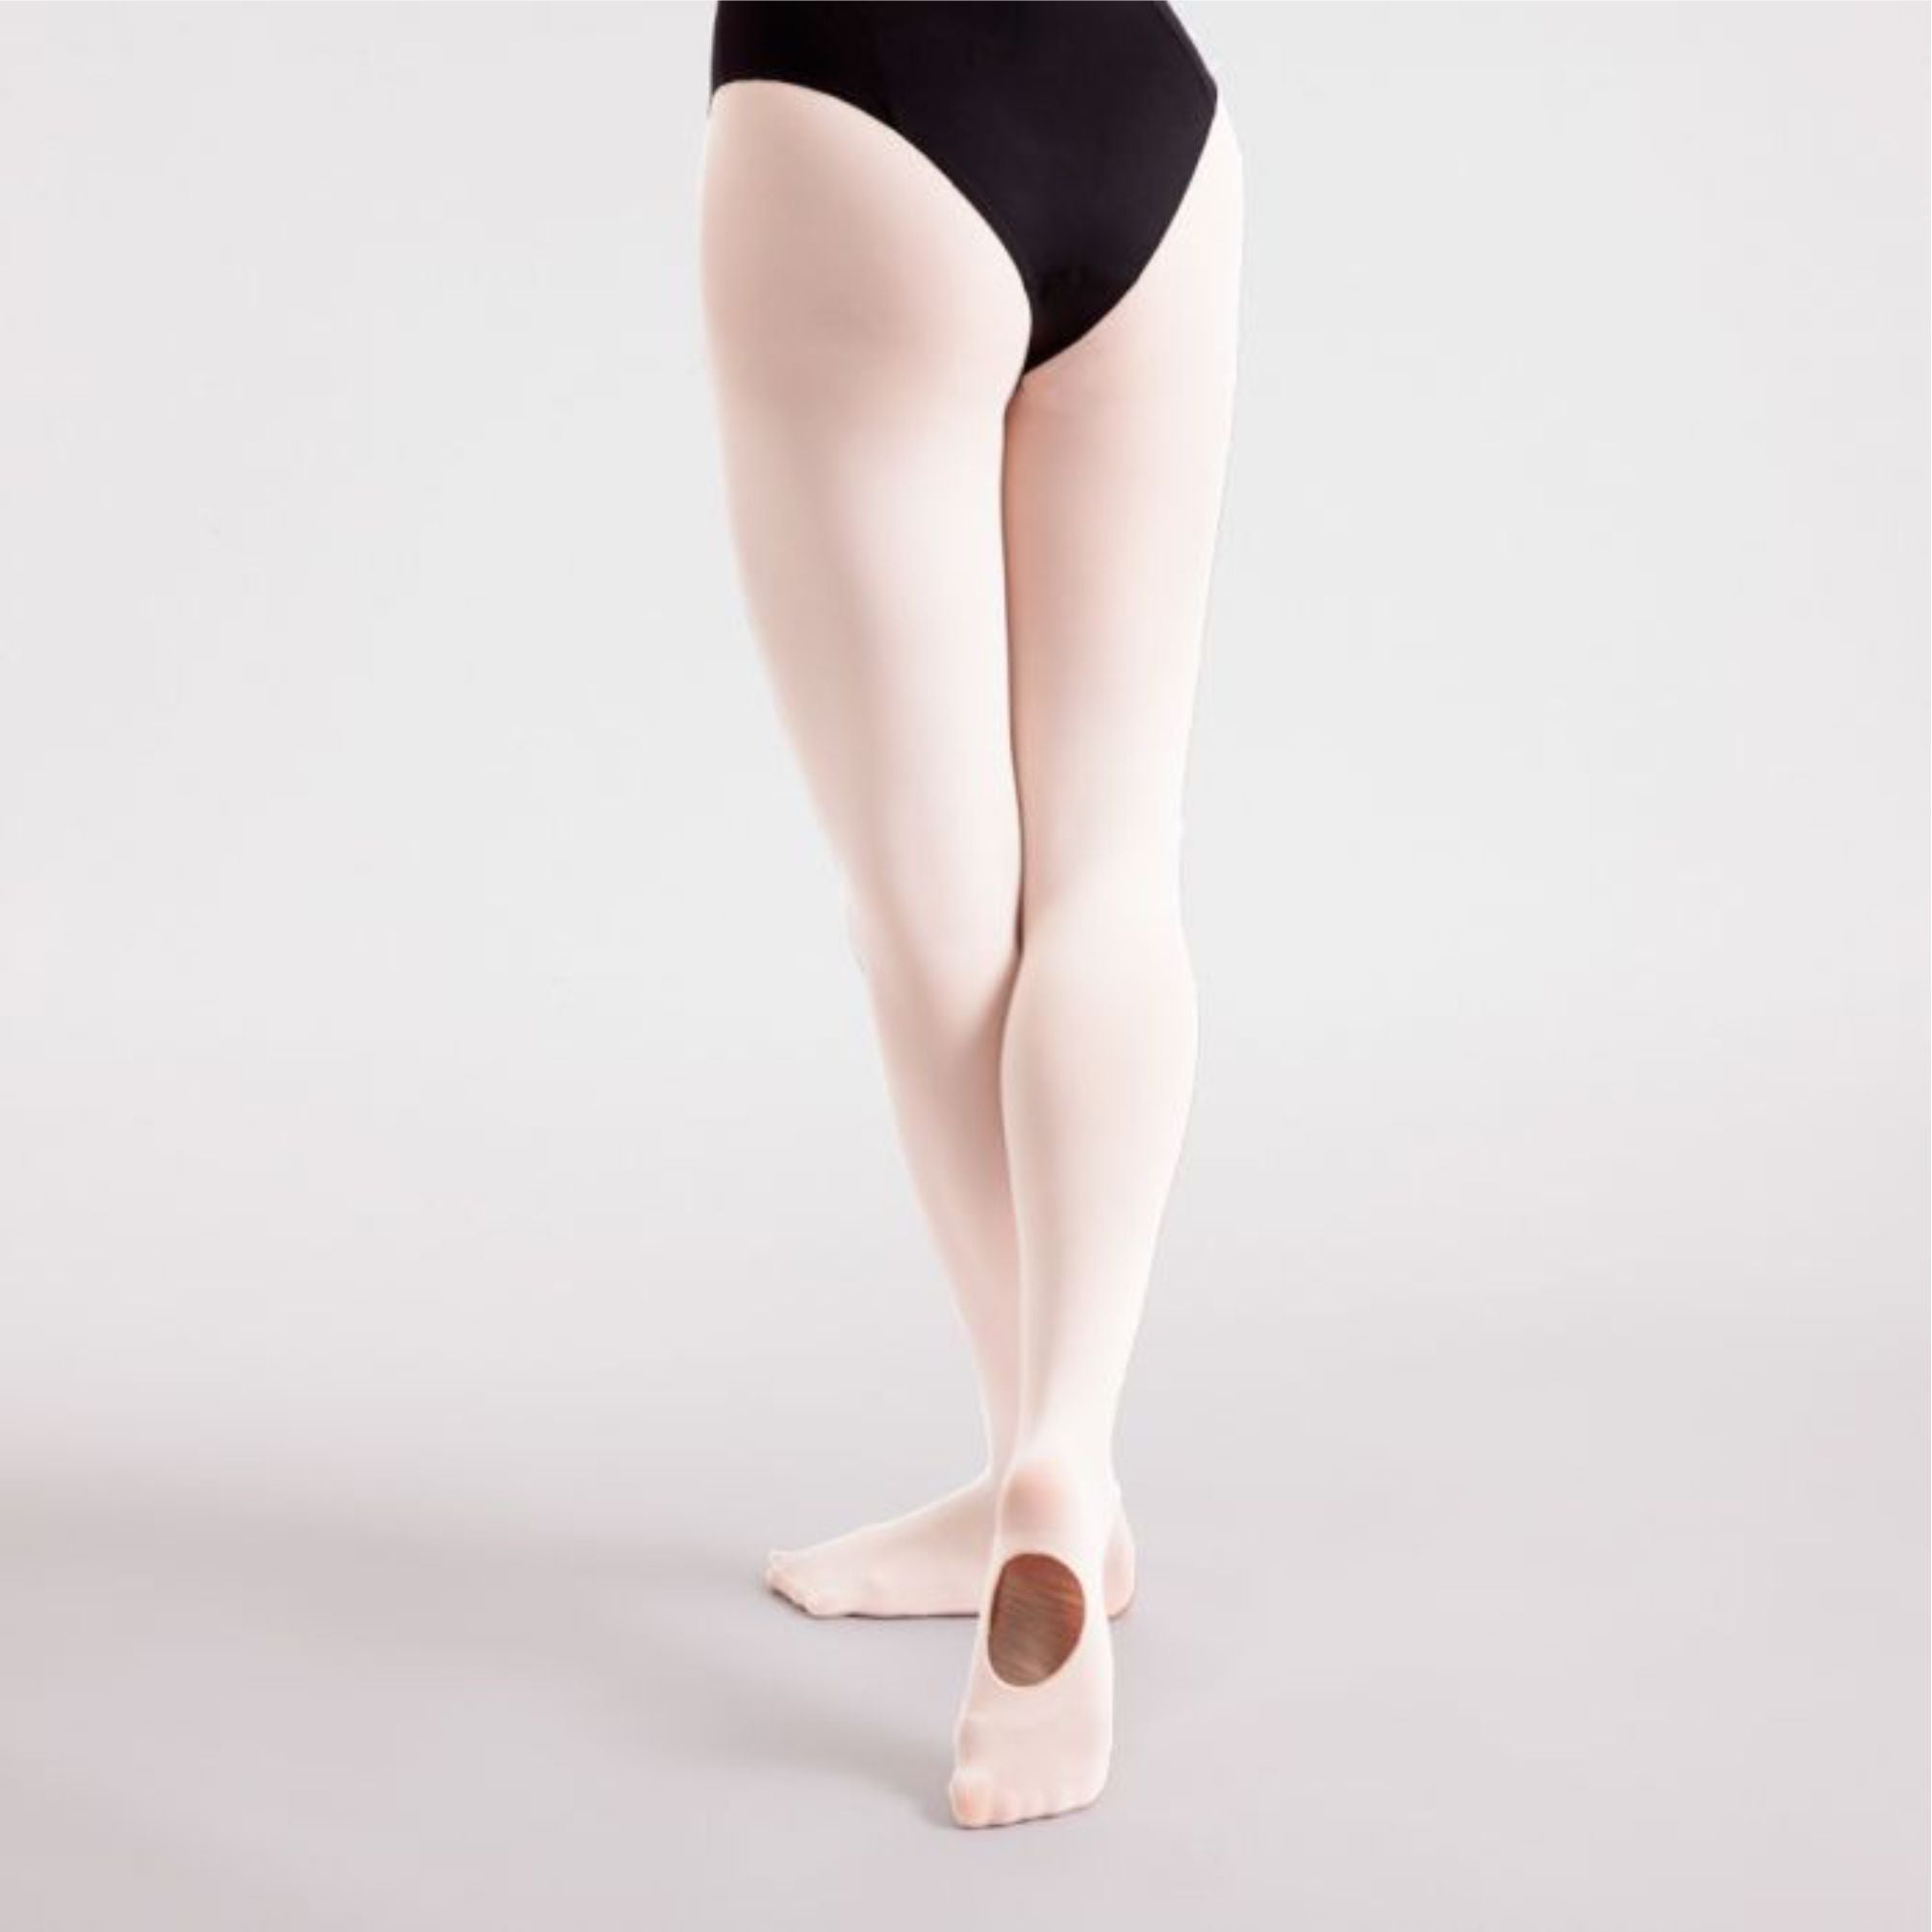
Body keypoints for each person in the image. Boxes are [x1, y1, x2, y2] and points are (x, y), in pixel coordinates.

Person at [699, 0, 1243, 1829]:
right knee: (1113, 866)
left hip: (854, 105)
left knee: (933, 919)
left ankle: (1047, 1477)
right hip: (1148, 117)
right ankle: (1060, 1466)